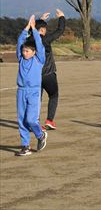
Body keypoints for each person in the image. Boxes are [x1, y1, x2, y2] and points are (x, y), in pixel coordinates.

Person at [15, 15, 48, 156]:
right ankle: (25, 146)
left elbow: (39, 45)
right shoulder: (21, 59)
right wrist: (26, 28)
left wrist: (34, 29)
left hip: (34, 92)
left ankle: (40, 136)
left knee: (31, 119)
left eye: (27, 51)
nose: (24, 53)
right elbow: (19, 42)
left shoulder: (39, 59)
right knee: (22, 120)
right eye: (23, 51)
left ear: (34, 52)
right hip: (21, 91)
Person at [36, 9, 66, 130]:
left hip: (35, 75)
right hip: (48, 74)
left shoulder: (29, 39)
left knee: (37, 99)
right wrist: (62, 17)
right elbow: (60, 31)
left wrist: (41, 20)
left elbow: (32, 30)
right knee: (53, 95)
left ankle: (35, 122)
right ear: (43, 30)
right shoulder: (46, 39)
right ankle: (49, 120)